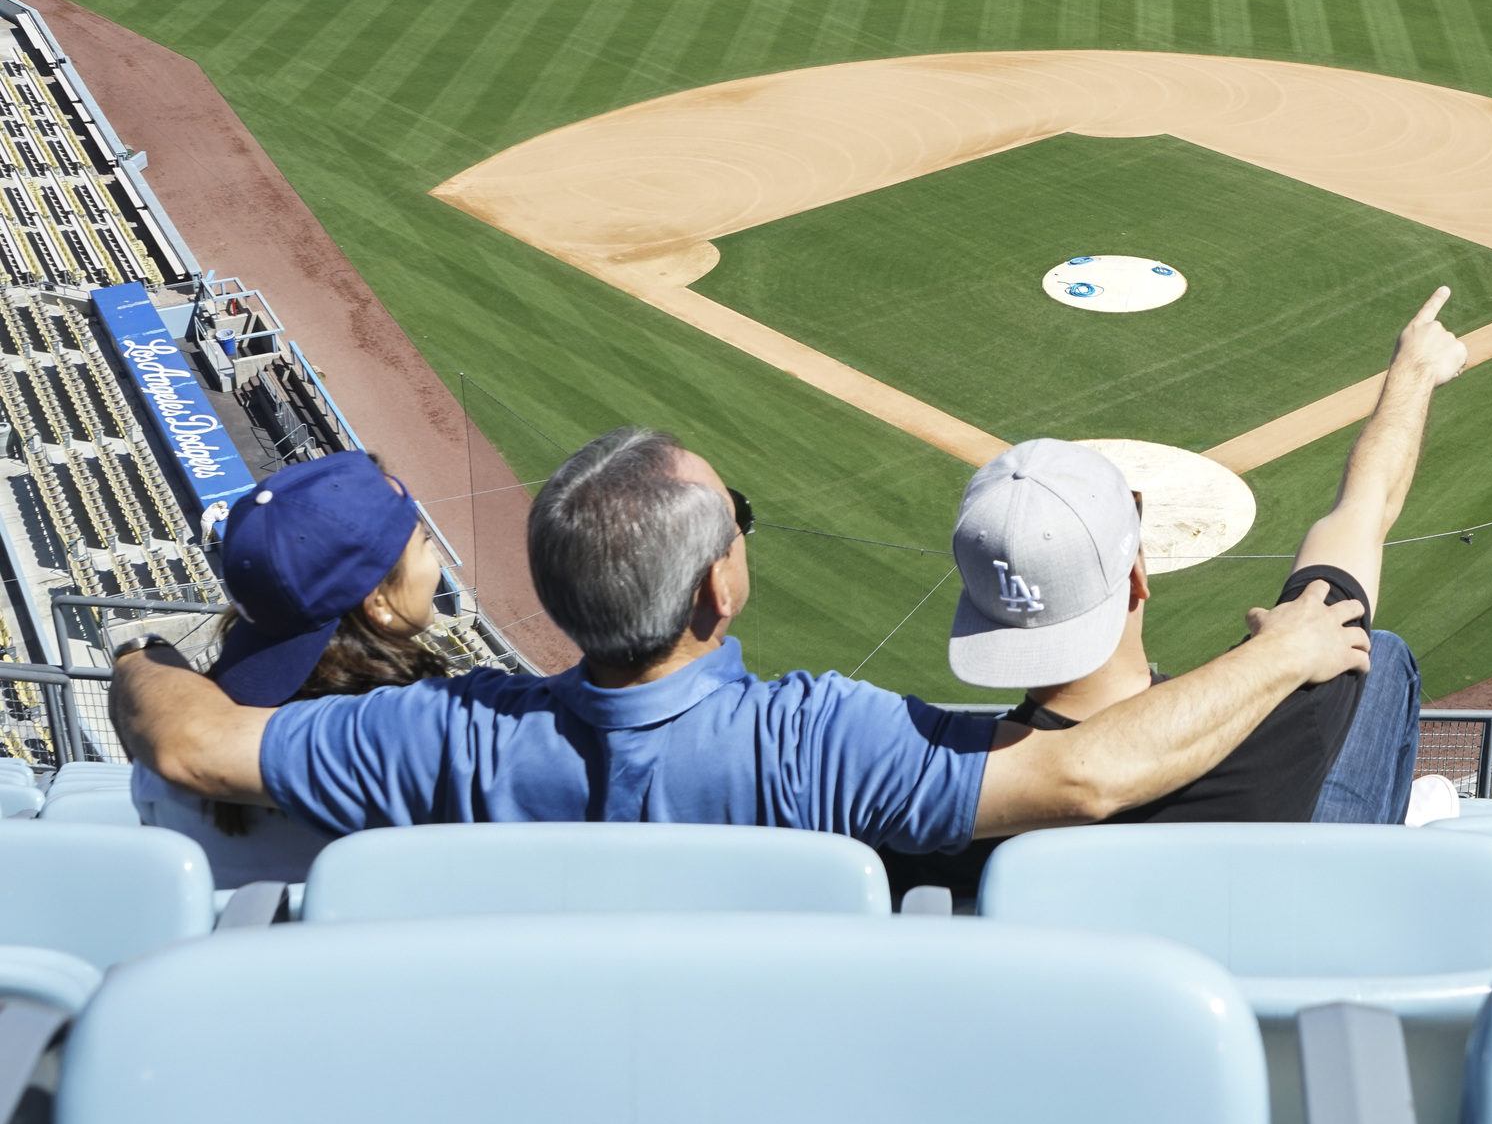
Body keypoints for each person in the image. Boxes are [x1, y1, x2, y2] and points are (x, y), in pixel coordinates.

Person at [111, 423, 1372, 856]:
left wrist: (136, 659)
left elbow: (191, 745)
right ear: (722, 588)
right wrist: (1285, 653)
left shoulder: (441, 738)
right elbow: (1084, 772)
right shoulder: (815, 741)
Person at [883, 287, 1464, 901]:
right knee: (1384, 654)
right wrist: (1415, 371)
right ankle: (1394, 836)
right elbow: (1364, 509)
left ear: (982, 618)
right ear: (1138, 573)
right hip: (1278, 911)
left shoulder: (934, 798)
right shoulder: (1293, 724)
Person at [124, 450, 451, 885]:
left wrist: (140, 656)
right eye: (426, 544)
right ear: (379, 603)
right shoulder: (438, 741)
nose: (438, 562)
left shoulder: (159, 755)